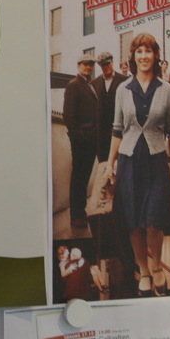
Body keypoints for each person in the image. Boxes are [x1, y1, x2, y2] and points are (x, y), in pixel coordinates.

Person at [107, 33, 170, 297]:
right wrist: (110, 164)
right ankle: (144, 269)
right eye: (139, 51)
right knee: (133, 222)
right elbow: (117, 129)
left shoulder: (168, 90)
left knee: (154, 220)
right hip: (129, 160)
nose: (144, 56)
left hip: (156, 159)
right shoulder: (122, 90)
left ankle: (156, 264)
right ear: (133, 56)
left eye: (148, 51)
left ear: (156, 55)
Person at [64, 54, 99, 229]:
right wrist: (78, 136)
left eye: (91, 65)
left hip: (91, 139)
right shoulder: (74, 85)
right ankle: (76, 216)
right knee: (78, 177)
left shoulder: (89, 84)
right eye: (85, 65)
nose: (88, 68)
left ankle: (81, 212)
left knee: (84, 177)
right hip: (81, 141)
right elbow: (68, 116)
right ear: (78, 65)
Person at [93, 52, 127, 161]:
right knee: (103, 164)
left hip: (120, 131)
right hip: (101, 135)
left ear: (112, 62)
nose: (105, 67)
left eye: (107, 64)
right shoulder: (95, 83)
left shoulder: (124, 80)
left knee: (120, 163)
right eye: (102, 65)